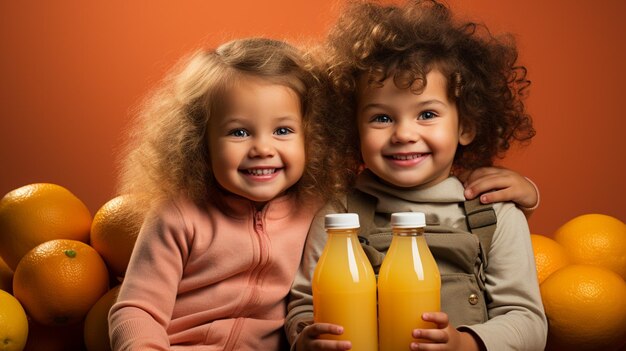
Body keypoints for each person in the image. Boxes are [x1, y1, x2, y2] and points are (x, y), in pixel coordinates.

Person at [285, 1, 547, 350]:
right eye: (382, 118)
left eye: (426, 114)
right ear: (352, 129)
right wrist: (304, 336)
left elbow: (527, 321)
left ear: (466, 125)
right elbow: (305, 302)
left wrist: (465, 344)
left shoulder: (494, 215)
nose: (404, 134)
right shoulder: (338, 216)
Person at [107, 37, 346, 350]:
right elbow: (136, 310)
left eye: (282, 130)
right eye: (240, 132)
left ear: (312, 136)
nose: (262, 148)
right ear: (198, 141)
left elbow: (311, 303)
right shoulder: (179, 215)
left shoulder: (318, 212)